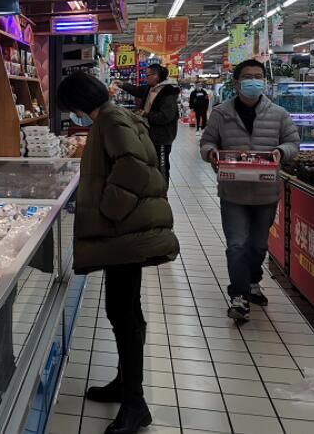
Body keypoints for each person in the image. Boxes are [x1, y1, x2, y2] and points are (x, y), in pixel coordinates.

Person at [58, 72, 180, 434]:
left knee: (123, 313)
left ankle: (135, 404)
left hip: (126, 232)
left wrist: (107, 211)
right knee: (126, 311)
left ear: (78, 103)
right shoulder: (119, 115)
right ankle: (125, 384)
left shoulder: (110, 120)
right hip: (131, 231)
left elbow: (132, 169)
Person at [200, 59, 300, 321]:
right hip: (233, 192)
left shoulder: (279, 114)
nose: (254, 81)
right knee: (237, 244)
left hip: (265, 192)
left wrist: (281, 151)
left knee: (257, 246)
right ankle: (239, 295)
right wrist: (211, 154)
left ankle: (253, 281)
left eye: (258, 76)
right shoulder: (221, 113)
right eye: (248, 77)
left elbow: (293, 143)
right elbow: (207, 142)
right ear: (237, 83)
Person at [116, 64, 180, 184]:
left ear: (156, 76)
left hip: (162, 136)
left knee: (161, 165)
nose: (146, 78)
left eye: (148, 75)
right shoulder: (151, 88)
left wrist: (146, 114)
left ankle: (162, 189)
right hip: (150, 133)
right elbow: (136, 90)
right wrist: (121, 84)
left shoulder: (167, 92)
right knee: (152, 163)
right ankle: (153, 187)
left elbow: (165, 117)